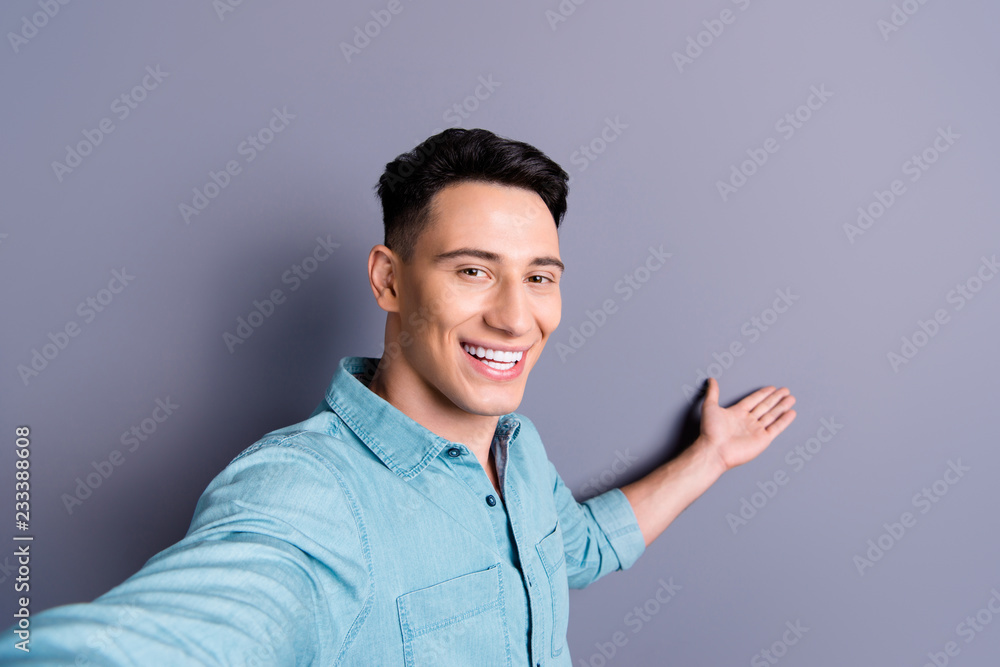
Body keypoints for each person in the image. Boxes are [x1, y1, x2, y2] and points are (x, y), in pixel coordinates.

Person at [2, 128, 796, 665]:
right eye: (473, 270)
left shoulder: (517, 447)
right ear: (388, 279)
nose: (515, 317)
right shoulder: (307, 495)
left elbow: (576, 547)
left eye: (539, 277)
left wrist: (712, 455)